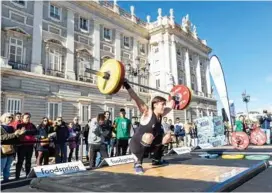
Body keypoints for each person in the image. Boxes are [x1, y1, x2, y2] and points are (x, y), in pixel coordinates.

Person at [123, 79, 173, 174]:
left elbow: (171, 105)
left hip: (149, 146)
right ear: (155, 105)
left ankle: (156, 159)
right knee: (149, 136)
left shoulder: (161, 115)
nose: (164, 107)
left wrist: (173, 95)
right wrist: (126, 84)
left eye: (164, 105)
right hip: (137, 145)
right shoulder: (148, 112)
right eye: (162, 104)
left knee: (167, 137)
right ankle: (138, 162)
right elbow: (136, 97)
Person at [1, 113, 25, 182]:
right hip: (2, 150)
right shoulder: (1, 127)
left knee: (8, 167)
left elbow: (15, 139)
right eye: (9, 117)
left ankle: (6, 180)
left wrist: (20, 134)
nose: (10, 119)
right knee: (1, 167)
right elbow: (1, 137)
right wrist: (14, 134)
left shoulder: (11, 127)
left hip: (11, 149)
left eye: (11, 117)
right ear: (4, 118)